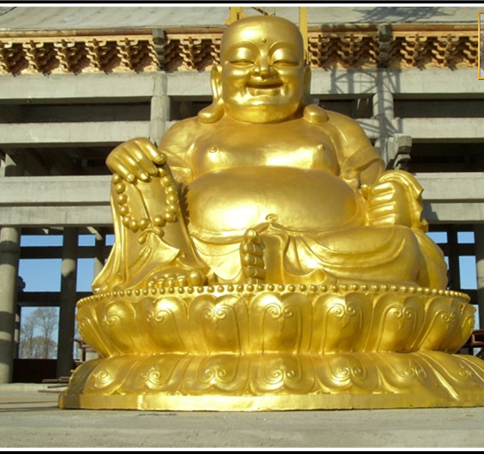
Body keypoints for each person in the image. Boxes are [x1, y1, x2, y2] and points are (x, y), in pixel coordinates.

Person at [93, 15, 447, 293]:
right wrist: (133, 162)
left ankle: (281, 260)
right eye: (243, 60)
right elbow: (159, 200)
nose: (263, 71)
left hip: (325, 253)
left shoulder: (338, 128)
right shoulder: (189, 132)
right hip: (207, 262)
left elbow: (379, 185)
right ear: (218, 79)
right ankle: (180, 272)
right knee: (139, 179)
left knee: (404, 247)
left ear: (305, 79)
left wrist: (395, 194)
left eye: (283, 60)